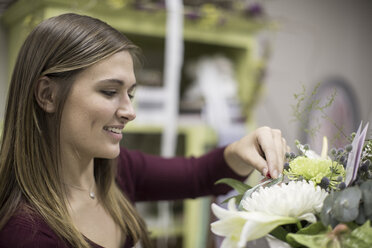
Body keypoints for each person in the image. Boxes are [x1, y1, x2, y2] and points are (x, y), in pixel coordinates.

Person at [0, 13, 288, 248]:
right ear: (47, 95)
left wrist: (241, 149)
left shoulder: (116, 169)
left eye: (130, 94)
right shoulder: (26, 235)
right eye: (110, 91)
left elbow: (199, 175)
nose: (130, 112)